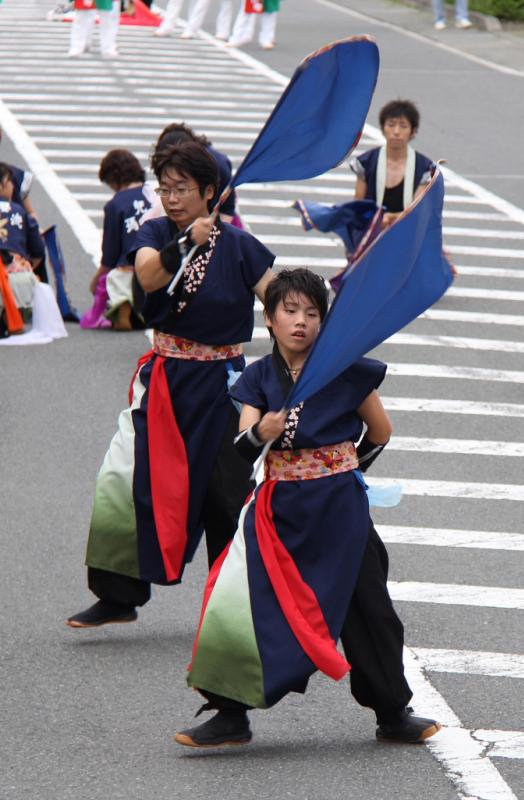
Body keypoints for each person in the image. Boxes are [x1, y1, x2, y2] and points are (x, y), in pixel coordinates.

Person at [174, 268, 442, 748]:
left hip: (340, 508)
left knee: (369, 607)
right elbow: (241, 445)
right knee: (243, 602)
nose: (301, 321)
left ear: (324, 322)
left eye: (312, 313)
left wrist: (345, 468)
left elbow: (381, 431)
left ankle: (392, 712)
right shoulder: (258, 378)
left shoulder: (346, 369)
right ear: (270, 319)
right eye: (290, 311)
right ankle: (229, 713)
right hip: (279, 512)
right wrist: (262, 434)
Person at [66, 142, 275, 628]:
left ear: (209, 193)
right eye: (166, 188)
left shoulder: (240, 245)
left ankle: (233, 606)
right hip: (163, 381)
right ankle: (118, 596)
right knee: (126, 479)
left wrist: (308, 318)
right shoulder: (156, 231)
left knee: (227, 495)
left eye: (183, 188)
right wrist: (184, 244)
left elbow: (276, 295)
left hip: (226, 388)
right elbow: (146, 274)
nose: (172, 197)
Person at [80, 149, 153, 331]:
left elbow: (110, 256)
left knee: (115, 276)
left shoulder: (116, 204)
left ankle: (124, 306)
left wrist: (96, 281)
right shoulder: (157, 196)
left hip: (130, 273)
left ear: (114, 178)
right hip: (159, 267)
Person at [350, 99, 434, 230]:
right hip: (371, 233)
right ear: (383, 128)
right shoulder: (366, 163)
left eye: (403, 126)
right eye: (391, 124)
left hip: (407, 234)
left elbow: (417, 210)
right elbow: (359, 205)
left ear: (413, 131)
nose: (396, 131)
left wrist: (391, 218)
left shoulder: (425, 168)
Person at [147, 122, 242, 227]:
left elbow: (227, 209)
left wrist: (212, 233)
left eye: (181, 189)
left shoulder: (219, 165)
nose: (172, 199)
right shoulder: (153, 229)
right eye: (165, 189)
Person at [0, 163, 45, 335]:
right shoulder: (20, 211)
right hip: (17, 279)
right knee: (22, 271)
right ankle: (14, 312)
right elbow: (38, 251)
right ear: (4, 183)